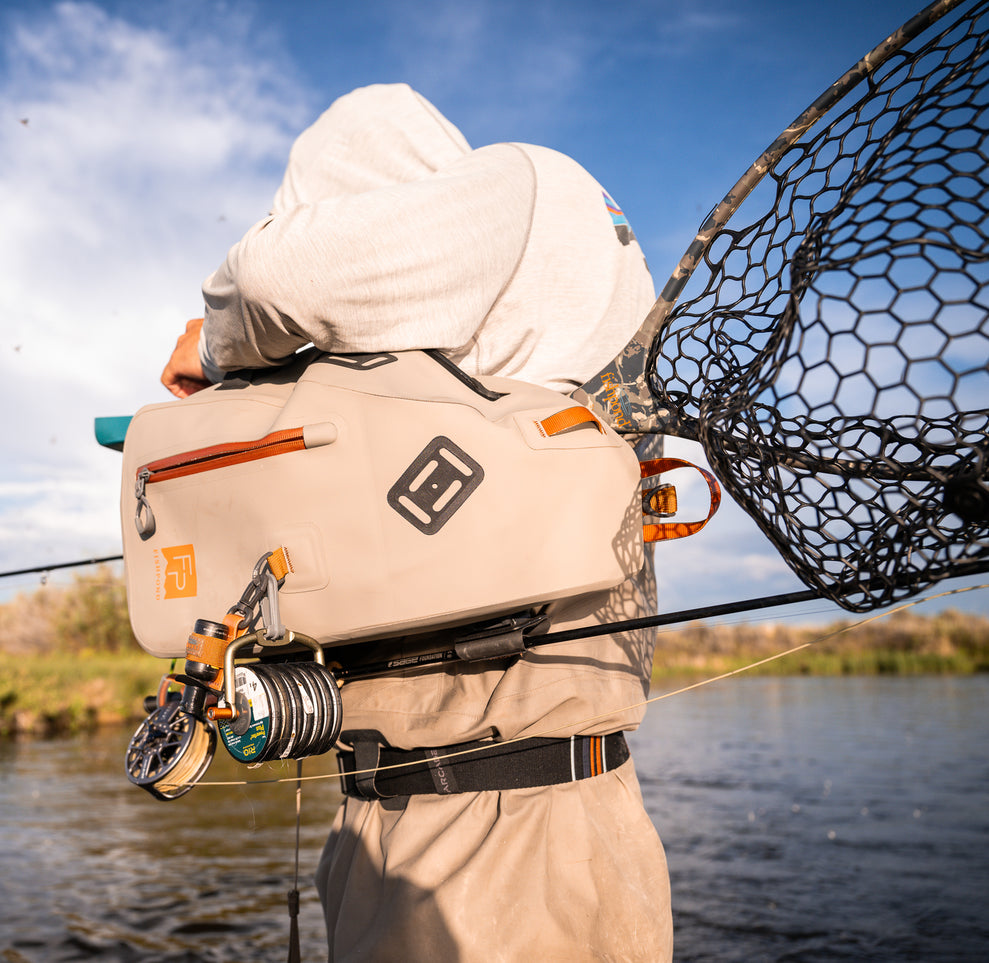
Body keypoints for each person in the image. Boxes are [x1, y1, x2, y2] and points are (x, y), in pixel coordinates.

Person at [161, 84, 671, 962]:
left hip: (476, 846)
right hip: (538, 816)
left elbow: (275, 278)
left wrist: (211, 349)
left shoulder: (514, 190)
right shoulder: (527, 321)